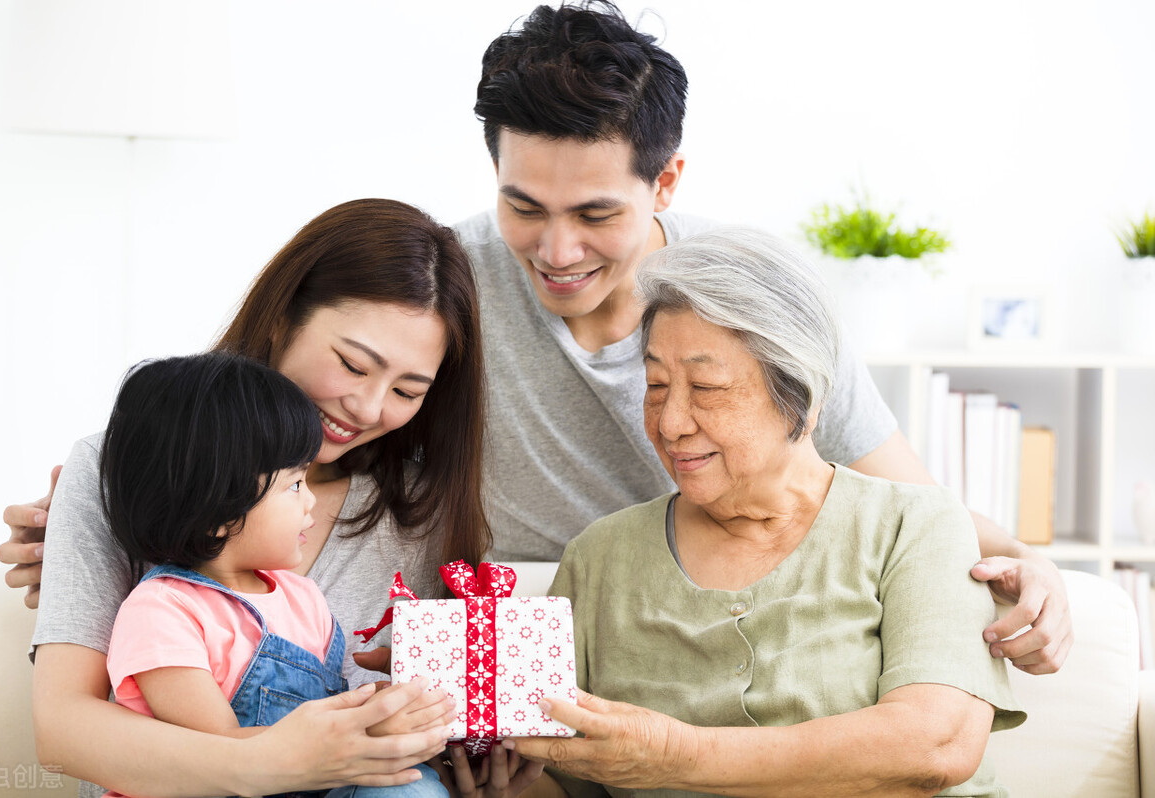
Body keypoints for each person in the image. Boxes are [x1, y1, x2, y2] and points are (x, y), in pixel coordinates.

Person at [451, 0, 1069, 672]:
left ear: (665, 183)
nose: (557, 250)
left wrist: (1028, 562)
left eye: (595, 213)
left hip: (709, 613)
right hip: (527, 615)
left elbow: (904, 495)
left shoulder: (747, 290)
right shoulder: (445, 283)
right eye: (523, 207)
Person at [18, 199, 540, 797]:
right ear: (282, 318)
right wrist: (271, 765)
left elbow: (405, 726)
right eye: (351, 364)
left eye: (407, 389)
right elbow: (61, 729)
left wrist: (462, 760)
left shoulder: (420, 511)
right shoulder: (118, 468)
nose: (368, 409)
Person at [510, 227, 1026, 797]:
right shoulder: (599, 557)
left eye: (707, 387)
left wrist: (675, 755)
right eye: (656, 384)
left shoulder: (915, 526)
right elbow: (568, 780)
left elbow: (936, 744)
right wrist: (501, 781)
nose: (671, 421)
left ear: (799, 399)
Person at [96, 351, 445, 798]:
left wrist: (378, 711)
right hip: (218, 785)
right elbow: (219, 757)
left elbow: (326, 716)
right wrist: (359, 732)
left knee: (411, 788)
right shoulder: (162, 612)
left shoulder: (303, 598)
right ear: (218, 512)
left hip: (307, 783)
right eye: (294, 484)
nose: (310, 502)